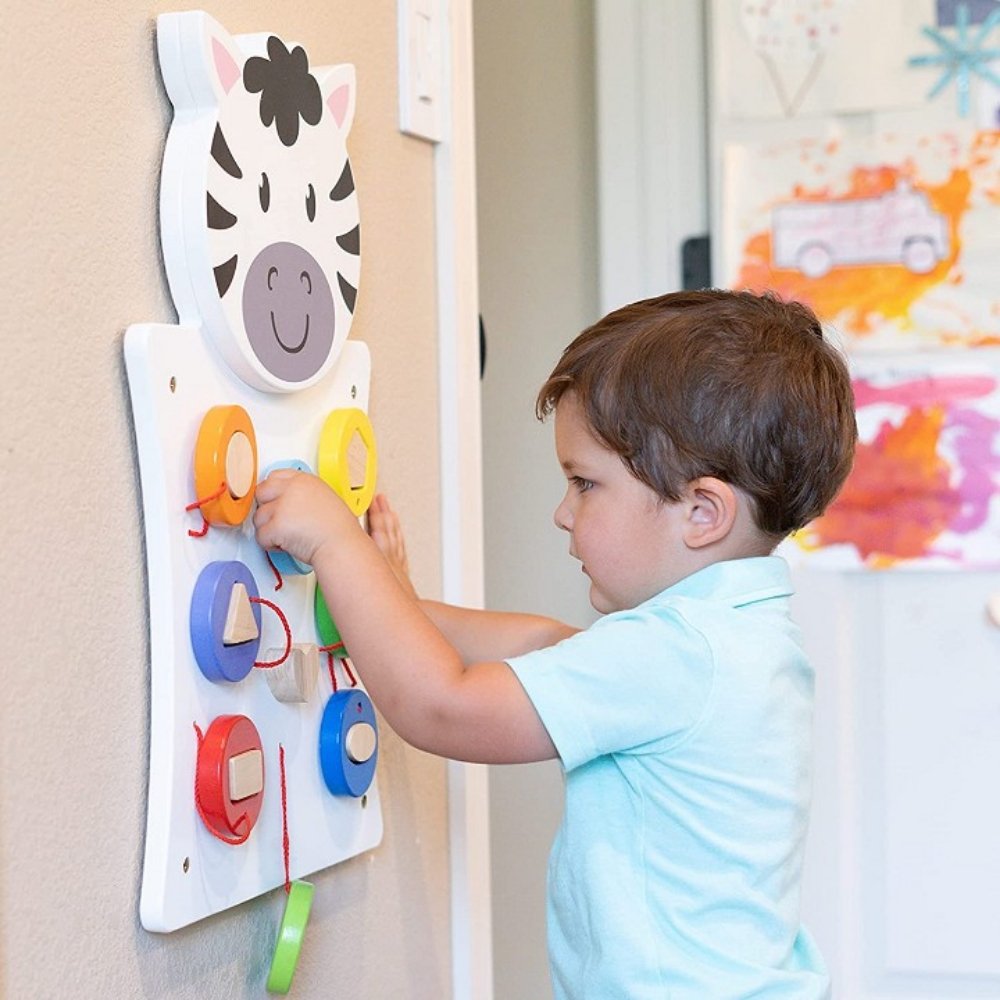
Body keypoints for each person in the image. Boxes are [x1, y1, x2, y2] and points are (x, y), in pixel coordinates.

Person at [254, 288, 857, 999]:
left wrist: (332, 542)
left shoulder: (681, 653)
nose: (562, 513)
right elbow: (546, 646)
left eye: (584, 483)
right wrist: (394, 604)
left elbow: (442, 707)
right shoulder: (734, 638)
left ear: (702, 512)